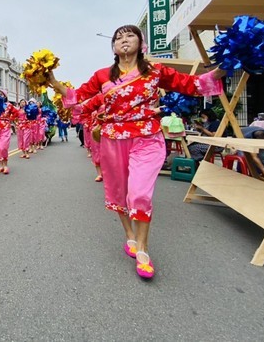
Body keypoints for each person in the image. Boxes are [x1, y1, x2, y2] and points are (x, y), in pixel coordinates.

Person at [48, 24, 225, 279]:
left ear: (141, 44)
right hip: (113, 139)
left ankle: (143, 249)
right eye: (118, 37)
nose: (123, 39)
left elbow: (192, 84)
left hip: (147, 137)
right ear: (113, 48)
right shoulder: (102, 76)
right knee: (119, 192)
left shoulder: (154, 71)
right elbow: (77, 96)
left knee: (140, 193)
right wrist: (53, 81)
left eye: (129, 34)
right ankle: (129, 235)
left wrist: (225, 67)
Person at [0, 90, 20, 174]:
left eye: (2, 94)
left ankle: (6, 165)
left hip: (5, 127)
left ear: (5, 96)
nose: (0, 95)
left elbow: (16, 113)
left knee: (3, 147)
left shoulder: (9, 105)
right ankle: (1, 166)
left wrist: (10, 119)